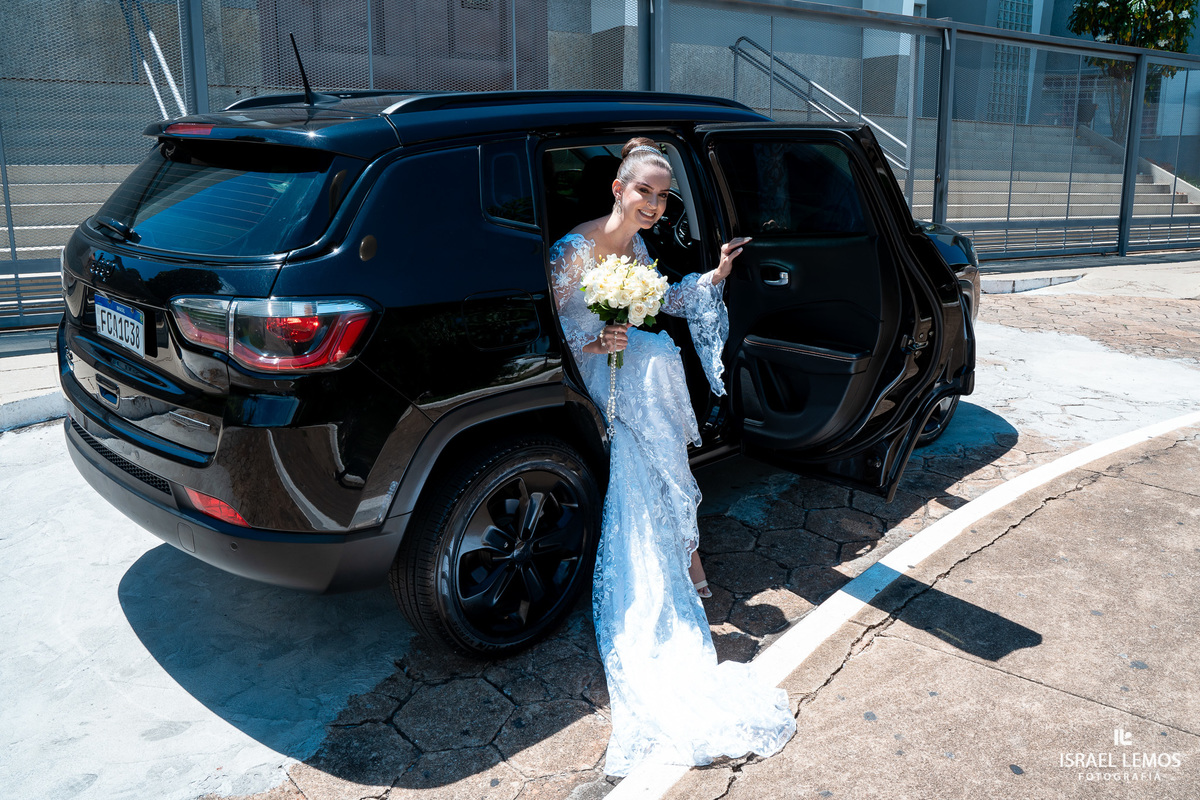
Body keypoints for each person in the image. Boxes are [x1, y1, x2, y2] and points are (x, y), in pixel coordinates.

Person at [549, 137, 796, 777]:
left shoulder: (636, 248)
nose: (654, 205)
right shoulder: (573, 249)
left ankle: (683, 548)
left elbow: (664, 302)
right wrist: (597, 335)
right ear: (618, 189)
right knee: (655, 367)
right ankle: (685, 555)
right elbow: (557, 331)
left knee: (657, 362)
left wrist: (713, 278)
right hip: (590, 366)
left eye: (662, 197)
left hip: (632, 362)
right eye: (644, 192)